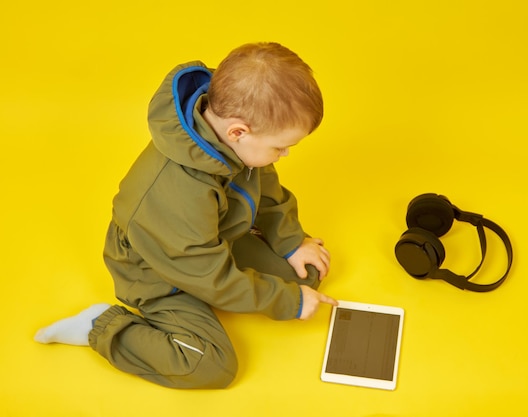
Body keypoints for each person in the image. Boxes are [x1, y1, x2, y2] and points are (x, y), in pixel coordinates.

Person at [34, 42, 338, 389]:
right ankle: (101, 327)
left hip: (210, 240)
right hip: (158, 271)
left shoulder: (230, 138)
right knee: (210, 366)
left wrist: (290, 241)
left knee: (306, 274)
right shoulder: (178, 191)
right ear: (239, 131)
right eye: (280, 146)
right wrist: (286, 302)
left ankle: (259, 275)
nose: (283, 155)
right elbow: (205, 274)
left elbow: (263, 184)